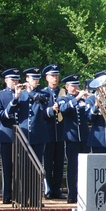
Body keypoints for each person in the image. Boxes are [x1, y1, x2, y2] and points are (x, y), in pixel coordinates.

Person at [58, 73, 92, 203]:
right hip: (71, 138)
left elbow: (89, 115)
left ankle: (84, 193)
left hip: (84, 137)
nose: (75, 88)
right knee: (73, 166)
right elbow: (63, 109)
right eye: (73, 86)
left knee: (85, 166)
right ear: (67, 87)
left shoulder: (84, 100)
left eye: (77, 85)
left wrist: (91, 100)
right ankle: (72, 194)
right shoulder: (63, 98)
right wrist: (77, 98)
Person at [0, 68, 21, 204]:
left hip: (22, 136)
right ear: (6, 80)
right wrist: (14, 99)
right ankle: (7, 195)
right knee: (7, 167)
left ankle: (20, 194)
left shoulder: (24, 94)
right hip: (7, 135)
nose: (15, 82)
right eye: (12, 79)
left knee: (21, 167)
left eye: (17, 79)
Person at [41, 64, 65, 199]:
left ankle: (57, 189)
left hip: (60, 133)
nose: (55, 78)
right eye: (52, 76)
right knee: (48, 163)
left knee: (59, 163)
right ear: (47, 78)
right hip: (47, 133)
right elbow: (40, 112)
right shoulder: (43, 93)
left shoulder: (62, 93)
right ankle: (48, 189)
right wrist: (51, 110)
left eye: (56, 76)